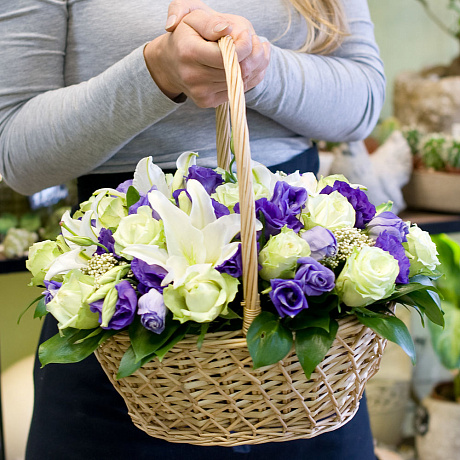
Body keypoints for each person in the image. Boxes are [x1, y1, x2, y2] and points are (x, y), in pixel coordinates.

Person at [0, 0, 385, 458]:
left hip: (304, 358)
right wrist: (156, 72)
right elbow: (18, 156)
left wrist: (255, 66)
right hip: (120, 327)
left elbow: (363, 105)